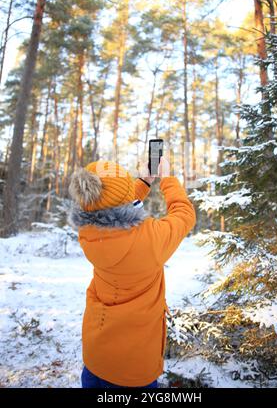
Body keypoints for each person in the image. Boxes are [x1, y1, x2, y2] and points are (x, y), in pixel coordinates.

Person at [68, 156, 196, 388]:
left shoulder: (87, 231)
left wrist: (144, 182)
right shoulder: (150, 240)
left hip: (96, 357)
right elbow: (184, 214)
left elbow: (111, 205)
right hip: (133, 369)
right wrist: (167, 179)